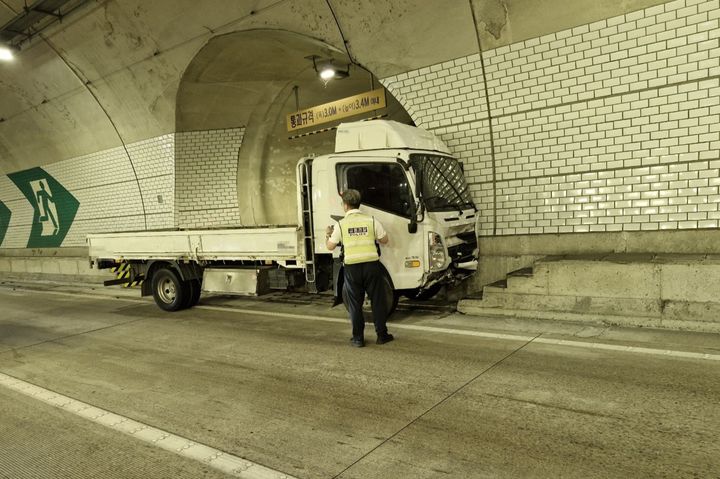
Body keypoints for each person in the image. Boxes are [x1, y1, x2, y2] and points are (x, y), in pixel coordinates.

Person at [326, 189, 394, 348]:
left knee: (355, 304)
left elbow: (330, 247)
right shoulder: (371, 220)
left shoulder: (340, 225)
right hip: (372, 266)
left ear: (345, 205)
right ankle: (382, 335)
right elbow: (384, 240)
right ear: (359, 204)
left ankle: (358, 338)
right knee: (378, 301)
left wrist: (328, 234)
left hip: (352, 269)